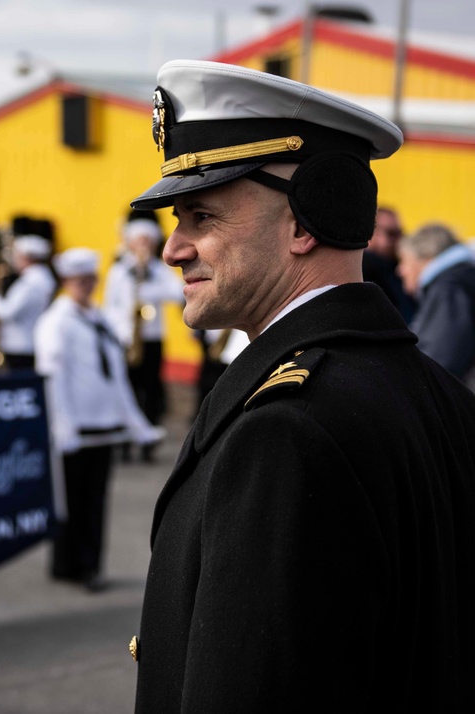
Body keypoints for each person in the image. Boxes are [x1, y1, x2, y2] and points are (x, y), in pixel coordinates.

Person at [127, 59, 475, 713]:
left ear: (307, 220)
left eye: (201, 216)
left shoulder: (283, 432)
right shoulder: (437, 395)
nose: (174, 248)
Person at [34, 247, 165, 593]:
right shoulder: (55, 322)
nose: (85, 286)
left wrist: (137, 423)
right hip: (74, 428)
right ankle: (66, 565)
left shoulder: (101, 319)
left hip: (104, 426)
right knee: (70, 501)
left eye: (90, 279)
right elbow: (52, 377)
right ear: (65, 282)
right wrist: (63, 426)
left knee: (94, 501)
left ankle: (89, 565)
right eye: (78, 280)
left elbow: (117, 379)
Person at [103, 218, 184, 448]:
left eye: (147, 242)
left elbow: (178, 293)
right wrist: (122, 330)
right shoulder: (118, 271)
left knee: (151, 387)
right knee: (128, 388)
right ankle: (126, 438)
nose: (143, 246)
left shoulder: (158, 270)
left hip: (153, 337)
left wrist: (151, 288)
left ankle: (150, 436)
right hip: (127, 339)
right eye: (139, 241)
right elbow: (110, 306)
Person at [397, 222, 475, 385]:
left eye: (403, 260)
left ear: (424, 257)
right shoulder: (458, 281)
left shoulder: (449, 288)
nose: (400, 270)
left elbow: (440, 362)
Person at [0, 234, 55, 371]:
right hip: (28, 343)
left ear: (25, 257)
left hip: (21, 345)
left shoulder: (30, 282)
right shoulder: (42, 278)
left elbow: (8, 311)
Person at [363, 205, 415, 321]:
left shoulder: (395, 267)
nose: (398, 239)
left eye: (400, 233)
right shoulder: (364, 272)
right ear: (370, 233)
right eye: (391, 233)